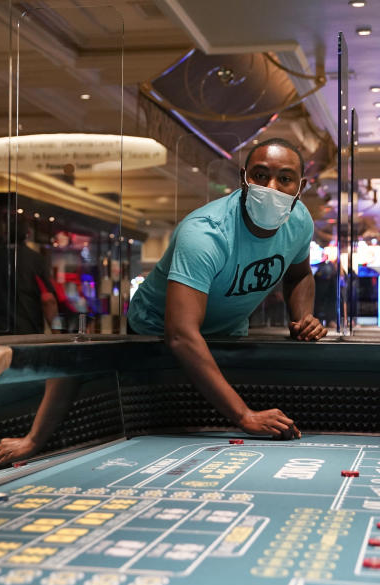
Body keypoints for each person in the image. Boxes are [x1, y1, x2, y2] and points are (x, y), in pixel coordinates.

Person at [127, 138, 326, 439]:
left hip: (226, 335)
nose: (271, 186)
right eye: (260, 175)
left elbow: (299, 274)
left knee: (218, 428)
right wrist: (244, 416)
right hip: (155, 337)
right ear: (243, 179)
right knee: (164, 432)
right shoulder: (206, 232)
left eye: (285, 178)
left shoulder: (299, 222)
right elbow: (180, 334)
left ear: (301, 187)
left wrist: (302, 319)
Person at [0, 224, 58, 336]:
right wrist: (57, 332)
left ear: (5, 234)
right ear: (27, 234)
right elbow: (48, 300)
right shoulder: (36, 260)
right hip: (25, 334)